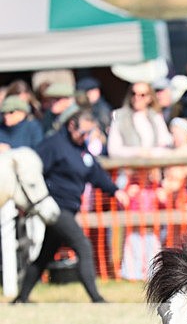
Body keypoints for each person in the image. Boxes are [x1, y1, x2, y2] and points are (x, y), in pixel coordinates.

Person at [12, 109, 128, 303]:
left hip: (69, 209)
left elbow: (95, 173)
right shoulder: (53, 145)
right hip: (55, 208)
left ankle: (21, 298)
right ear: (71, 125)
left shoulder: (81, 149)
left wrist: (115, 190)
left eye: (88, 133)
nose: (85, 137)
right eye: (83, 132)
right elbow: (31, 171)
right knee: (83, 246)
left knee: (45, 254)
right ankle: (96, 298)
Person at [107, 82, 172, 159]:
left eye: (142, 95)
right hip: (129, 167)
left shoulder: (156, 117)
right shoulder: (119, 117)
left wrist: (151, 153)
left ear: (149, 98)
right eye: (134, 94)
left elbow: (166, 142)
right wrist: (137, 152)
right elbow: (113, 150)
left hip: (153, 166)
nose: (137, 98)